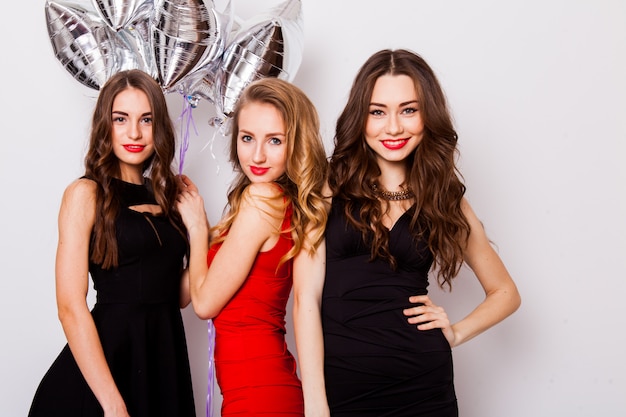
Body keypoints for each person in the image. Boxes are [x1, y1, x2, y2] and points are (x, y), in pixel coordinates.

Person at [320, 49, 522, 416]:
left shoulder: (444, 199)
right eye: (377, 111)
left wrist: (455, 332)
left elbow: (506, 292)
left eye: (408, 110)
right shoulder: (327, 187)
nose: (393, 127)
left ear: (428, 115)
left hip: (424, 384)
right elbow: (300, 297)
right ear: (359, 117)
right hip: (342, 384)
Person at [28, 69, 196, 417]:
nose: (134, 132)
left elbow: (179, 296)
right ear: (105, 124)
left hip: (162, 362)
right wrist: (113, 405)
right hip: (104, 375)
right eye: (121, 119)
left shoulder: (169, 197)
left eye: (146, 119)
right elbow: (70, 306)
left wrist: (199, 228)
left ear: (159, 126)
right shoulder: (85, 193)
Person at [176, 77, 329, 416]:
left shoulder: (262, 201)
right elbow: (183, 292)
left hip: (260, 393)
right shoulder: (273, 202)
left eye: (275, 140)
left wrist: (199, 228)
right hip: (257, 389)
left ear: (297, 145)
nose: (257, 155)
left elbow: (203, 304)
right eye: (247, 138)